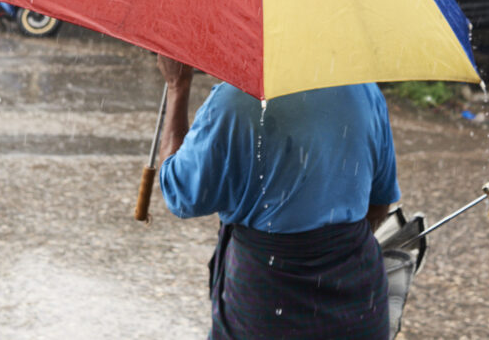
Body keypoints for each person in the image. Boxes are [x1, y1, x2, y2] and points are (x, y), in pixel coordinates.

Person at [156, 55, 400, 340]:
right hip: (357, 302)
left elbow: (181, 192)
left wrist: (177, 87)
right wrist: (332, 251)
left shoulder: (233, 101)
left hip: (266, 303)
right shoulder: (363, 90)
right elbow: (380, 202)